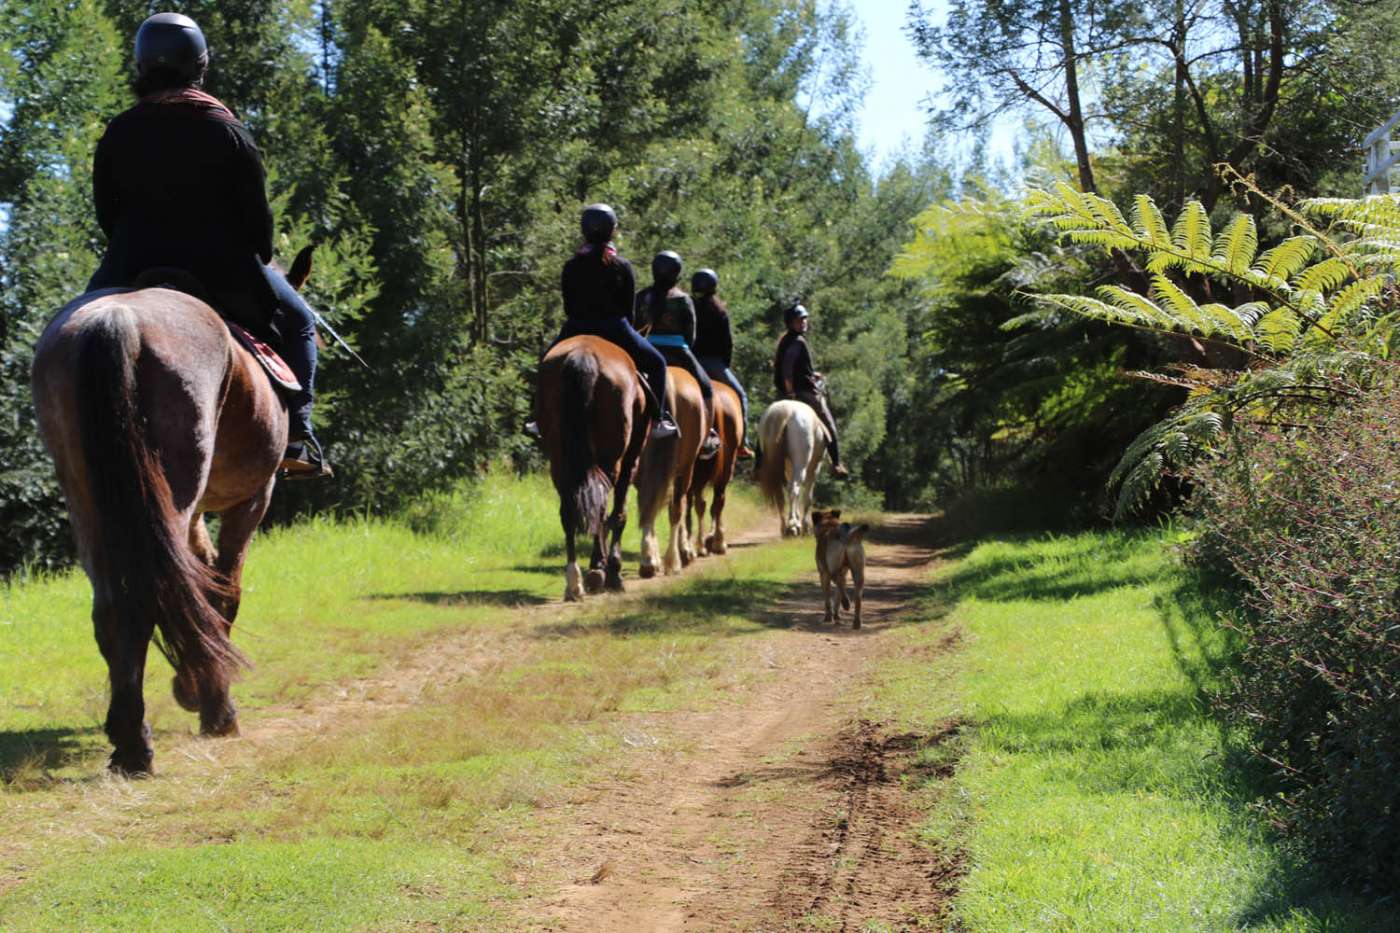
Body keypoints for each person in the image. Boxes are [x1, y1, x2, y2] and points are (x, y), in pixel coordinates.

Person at [87, 12, 329, 479]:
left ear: (142, 67)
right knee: (299, 321)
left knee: (71, 330)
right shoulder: (227, 130)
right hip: (222, 271)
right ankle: (297, 437)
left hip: (129, 265)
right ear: (199, 65)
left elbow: (107, 216)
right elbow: (259, 229)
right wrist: (255, 256)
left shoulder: (119, 132)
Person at [525, 205, 679, 441]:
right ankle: (658, 419)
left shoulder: (571, 266)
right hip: (615, 327)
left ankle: (536, 418)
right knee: (657, 363)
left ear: (583, 231)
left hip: (576, 326)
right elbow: (628, 310)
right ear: (612, 231)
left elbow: (568, 306)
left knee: (545, 364)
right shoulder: (622, 266)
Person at [635, 252, 721, 459]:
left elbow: (635, 325)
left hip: (648, 349)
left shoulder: (642, 296)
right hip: (679, 351)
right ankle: (707, 434)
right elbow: (690, 335)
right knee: (706, 387)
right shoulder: (684, 299)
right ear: (677, 273)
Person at [774, 304, 849, 479]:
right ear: (791, 323)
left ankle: (759, 463)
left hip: (783, 393)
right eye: (799, 320)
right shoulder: (798, 342)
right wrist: (791, 391)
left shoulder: (785, 341)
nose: (803, 322)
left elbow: (794, 367)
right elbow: (787, 369)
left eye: (804, 319)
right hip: (803, 393)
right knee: (830, 426)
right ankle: (837, 464)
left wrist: (811, 373)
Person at [691, 268, 753, 459]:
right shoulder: (720, 312)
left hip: (690, 361)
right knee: (741, 395)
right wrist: (724, 365)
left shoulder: (688, 306)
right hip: (714, 364)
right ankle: (743, 444)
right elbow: (727, 344)